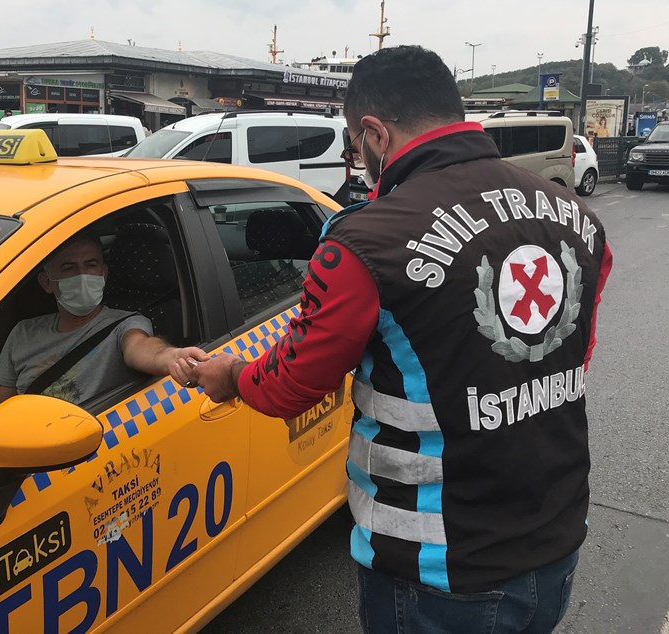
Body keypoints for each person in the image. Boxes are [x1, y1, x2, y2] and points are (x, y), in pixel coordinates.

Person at [189, 45, 613, 633]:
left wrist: (232, 374)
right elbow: (571, 355)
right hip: (557, 540)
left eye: (351, 142)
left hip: (439, 574)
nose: (354, 157)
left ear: (374, 133)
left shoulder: (365, 240)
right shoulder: (577, 216)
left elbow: (290, 387)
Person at [0, 234, 207, 405]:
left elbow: (140, 346)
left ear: (104, 274)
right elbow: (2, 407)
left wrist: (173, 357)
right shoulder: (23, 332)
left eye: (91, 265)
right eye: (69, 268)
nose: (82, 275)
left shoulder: (126, 325)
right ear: (46, 282)